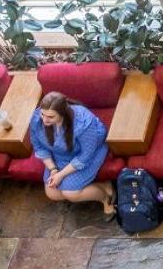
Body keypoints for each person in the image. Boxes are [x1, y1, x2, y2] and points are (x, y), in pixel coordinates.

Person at [30, 91, 116, 219]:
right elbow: (39, 146)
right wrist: (53, 170)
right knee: (52, 193)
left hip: (87, 154)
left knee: (71, 193)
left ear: (63, 114)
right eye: (43, 114)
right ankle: (104, 186)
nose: (44, 119)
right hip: (60, 155)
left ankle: (106, 199)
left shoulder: (83, 122)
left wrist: (61, 174)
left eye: (50, 117)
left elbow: (86, 155)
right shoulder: (37, 118)